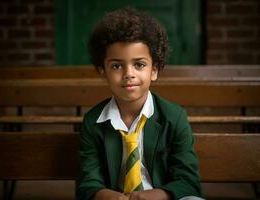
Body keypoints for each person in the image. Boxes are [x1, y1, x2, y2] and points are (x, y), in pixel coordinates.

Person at [76, 7, 204, 200]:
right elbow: (87, 183)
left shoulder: (174, 117)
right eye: (117, 66)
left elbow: (188, 182)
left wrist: (157, 195)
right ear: (103, 71)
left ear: (155, 70)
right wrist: (108, 196)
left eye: (139, 64)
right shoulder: (93, 122)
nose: (129, 73)